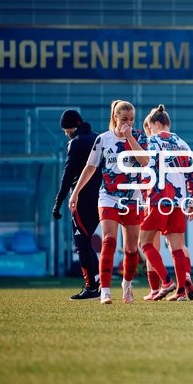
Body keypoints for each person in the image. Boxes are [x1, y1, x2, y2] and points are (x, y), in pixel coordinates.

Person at [69, 100, 148, 305]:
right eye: (124, 119)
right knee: (109, 240)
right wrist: (75, 193)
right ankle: (104, 291)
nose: (128, 123)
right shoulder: (103, 139)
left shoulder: (139, 136)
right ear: (115, 117)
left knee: (131, 248)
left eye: (131, 119)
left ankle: (127, 286)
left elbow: (145, 161)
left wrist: (129, 137)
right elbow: (90, 167)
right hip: (108, 196)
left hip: (132, 197)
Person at [138, 105, 193, 302]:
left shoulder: (152, 142)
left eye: (149, 127)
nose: (149, 131)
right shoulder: (182, 144)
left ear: (156, 124)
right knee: (177, 247)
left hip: (158, 199)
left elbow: (148, 169)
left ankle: (166, 282)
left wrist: (142, 192)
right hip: (179, 202)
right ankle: (180, 291)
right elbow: (192, 175)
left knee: (145, 243)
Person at [53, 109, 102, 300]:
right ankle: (98, 284)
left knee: (82, 243)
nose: (65, 133)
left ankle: (92, 287)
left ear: (70, 127)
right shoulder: (98, 138)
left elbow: (68, 175)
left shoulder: (76, 142)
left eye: (65, 129)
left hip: (82, 199)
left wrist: (58, 201)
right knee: (88, 240)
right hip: (103, 197)